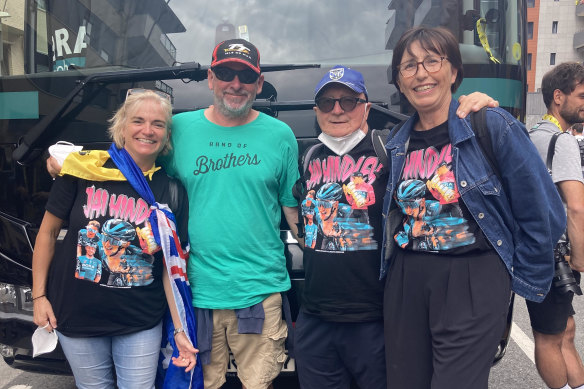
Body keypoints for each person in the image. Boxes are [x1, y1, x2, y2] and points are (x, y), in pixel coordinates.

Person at [294, 64, 503, 389]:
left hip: (375, 319)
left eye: (348, 101)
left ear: (366, 107)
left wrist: (473, 106)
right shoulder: (309, 156)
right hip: (315, 318)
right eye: (327, 103)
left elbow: (439, 133)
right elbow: (300, 214)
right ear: (316, 110)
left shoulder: (392, 151)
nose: (337, 110)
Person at [381, 26, 565, 389]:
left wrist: (513, 280)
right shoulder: (395, 144)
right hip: (407, 280)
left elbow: (544, 214)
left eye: (432, 60)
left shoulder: (490, 124)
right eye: (409, 66)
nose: (421, 73)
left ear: (453, 72)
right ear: (400, 82)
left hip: (472, 277)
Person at [33, 89, 201, 389]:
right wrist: (39, 297)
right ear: (122, 126)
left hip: (139, 322)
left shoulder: (171, 190)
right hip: (76, 317)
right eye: (138, 121)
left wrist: (179, 329)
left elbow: (169, 268)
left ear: (166, 135)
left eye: (158, 124)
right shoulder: (84, 170)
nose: (147, 130)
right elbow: (46, 234)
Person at [161, 39, 300, 389]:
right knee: (199, 385)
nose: (235, 84)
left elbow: (292, 209)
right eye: (225, 73)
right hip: (194, 292)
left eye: (245, 76)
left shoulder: (281, 135)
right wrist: (68, 165)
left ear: (259, 83)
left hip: (260, 290)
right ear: (210, 78)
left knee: (260, 384)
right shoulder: (179, 129)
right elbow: (137, 169)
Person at [527, 62, 584, 389]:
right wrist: (579, 258)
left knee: (565, 330)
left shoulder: (534, 134)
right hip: (555, 257)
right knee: (549, 338)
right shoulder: (561, 142)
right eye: (581, 95)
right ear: (558, 97)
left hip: (537, 251)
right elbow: (576, 206)